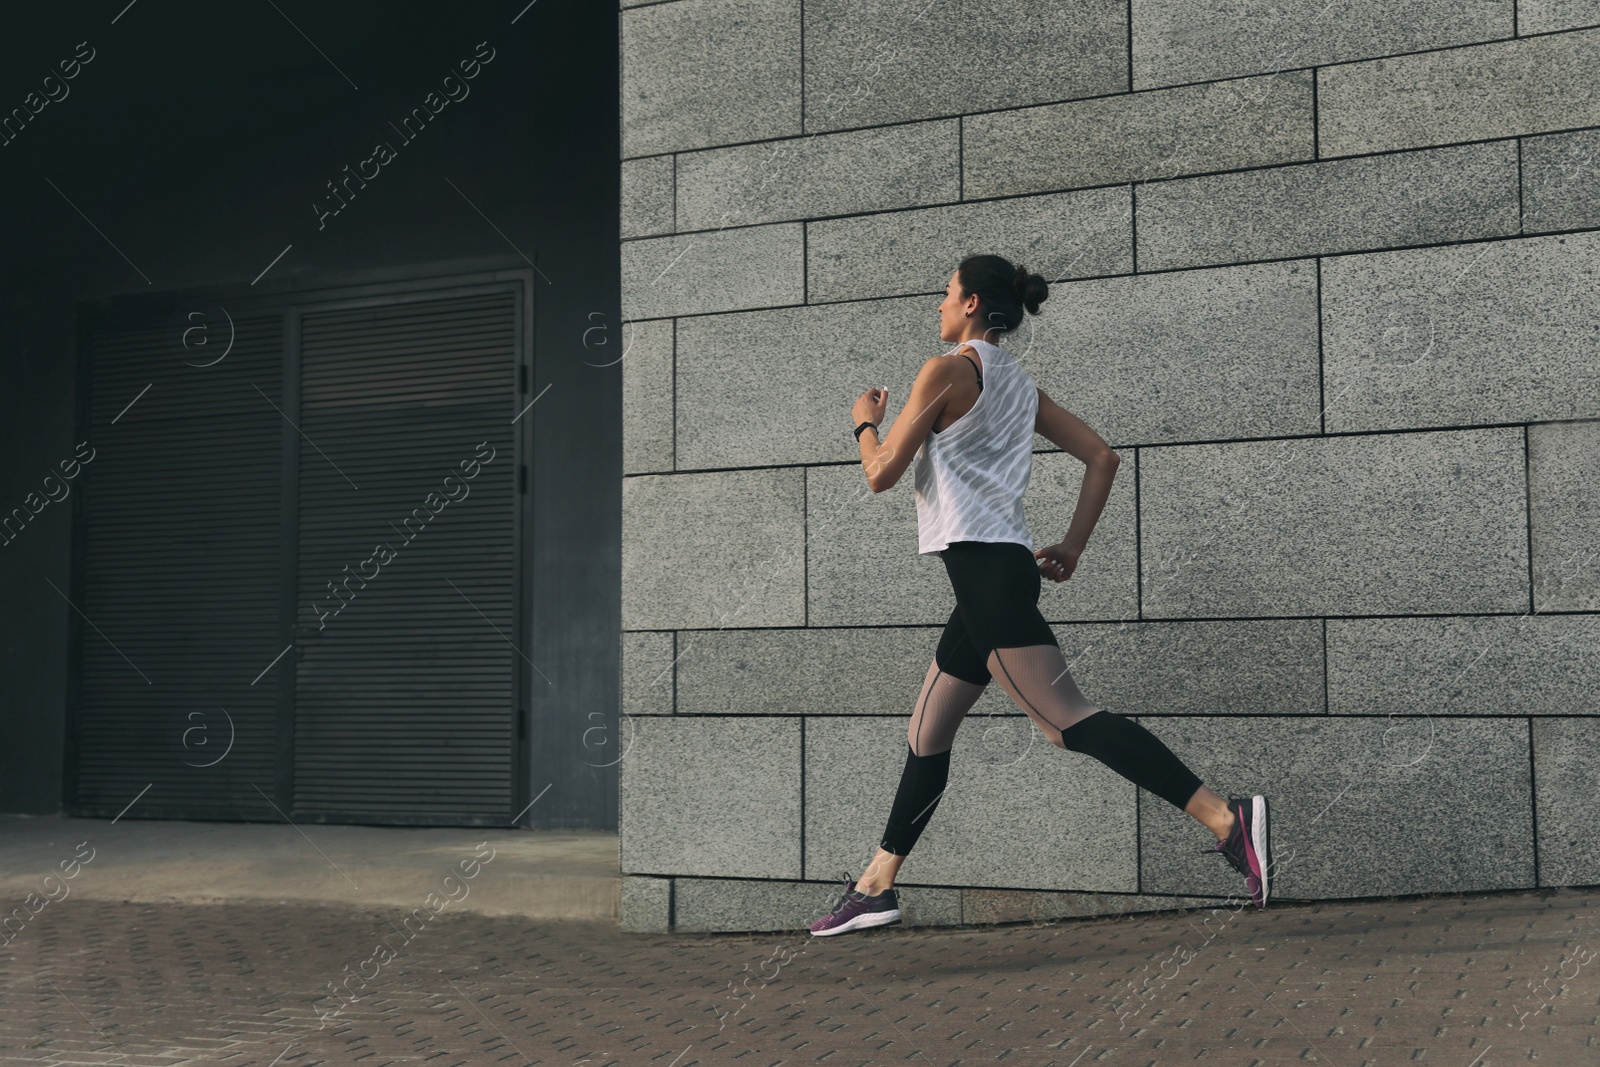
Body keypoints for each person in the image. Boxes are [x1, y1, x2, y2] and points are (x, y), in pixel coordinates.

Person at [808, 254, 1271, 937]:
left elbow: (879, 473)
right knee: (928, 730)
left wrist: (861, 421)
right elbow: (1102, 456)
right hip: (995, 574)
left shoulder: (945, 372)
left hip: (987, 577)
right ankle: (876, 883)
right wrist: (1074, 545)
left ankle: (1229, 819)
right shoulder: (1018, 383)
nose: (937, 305)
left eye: (945, 293)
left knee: (1065, 721)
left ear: (970, 304)